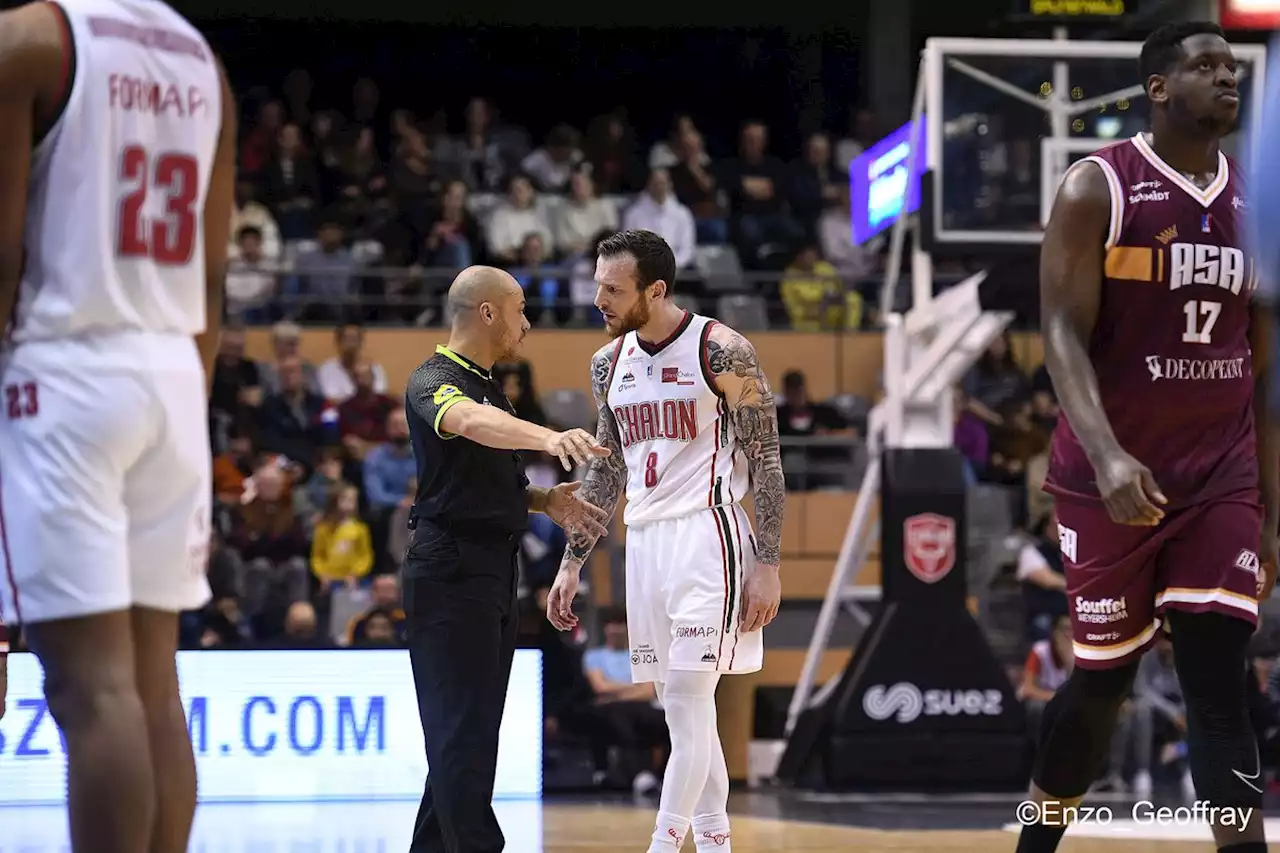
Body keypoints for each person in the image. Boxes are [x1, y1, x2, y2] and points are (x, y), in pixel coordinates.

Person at [1017, 22, 1277, 853]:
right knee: (1099, 691)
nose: (1226, 79)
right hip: (1109, 477)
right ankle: (1034, 839)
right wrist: (1106, 452)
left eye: (1232, 69)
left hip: (1219, 478)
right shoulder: (1099, 187)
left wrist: (1268, 508)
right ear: (1159, 88)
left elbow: (1263, 368)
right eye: (1206, 67)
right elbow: (1059, 331)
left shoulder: (1258, 203)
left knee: (1218, 682)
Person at [0, 3, 234, 853]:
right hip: (173, 373)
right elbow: (212, 275)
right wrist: (182, 402)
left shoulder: (30, 39)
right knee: (151, 684)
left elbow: (3, 259)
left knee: (91, 691)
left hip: (64, 367)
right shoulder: (199, 57)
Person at [546, 229, 786, 853]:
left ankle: (662, 842)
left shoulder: (723, 350)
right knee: (684, 711)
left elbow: (767, 462)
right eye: (597, 284)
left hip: (711, 534)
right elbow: (607, 469)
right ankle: (715, 843)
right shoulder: (607, 364)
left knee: (686, 697)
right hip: (644, 543)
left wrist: (769, 562)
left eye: (612, 289)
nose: (598, 298)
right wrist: (573, 562)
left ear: (654, 290)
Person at [402, 264, 613, 853]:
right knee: (460, 738)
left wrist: (545, 500)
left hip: (492, 570)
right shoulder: (434, 378)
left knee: (467, 739)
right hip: (449, 571)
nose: (526, 322)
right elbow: (467, 423)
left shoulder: (492, 384)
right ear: (487, 312)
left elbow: (476, 481)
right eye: (519, 309)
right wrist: (547, 438)